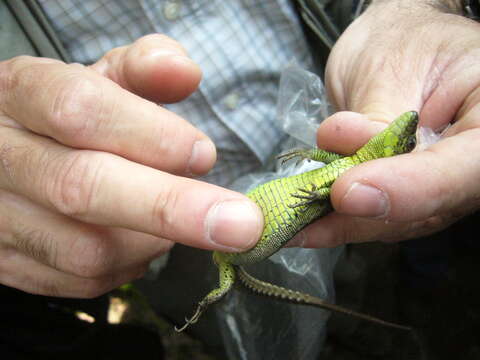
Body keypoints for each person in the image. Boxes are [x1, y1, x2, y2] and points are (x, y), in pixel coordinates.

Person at [1, 0, 479, 358]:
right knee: (259, 317)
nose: (406, 124)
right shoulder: (353, 165)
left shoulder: (358, 165)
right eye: (406, 134)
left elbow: (330, 188)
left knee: (422, 289)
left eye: (407, 136)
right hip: (163, 247)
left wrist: (422, 6)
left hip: (396, 225)